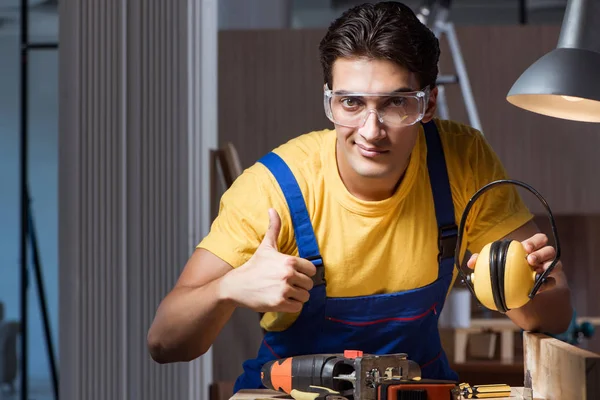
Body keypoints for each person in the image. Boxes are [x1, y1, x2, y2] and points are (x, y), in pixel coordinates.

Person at [147, 0, 572, 392]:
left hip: (421, 391)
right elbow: (165, 343)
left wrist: (520, 288)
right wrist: (228, 288)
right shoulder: (273, 186)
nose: (370, 131)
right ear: (329, 100)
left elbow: (555, 317)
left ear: (428, 106)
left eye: (395, 103)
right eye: (351, 102)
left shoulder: (461, 160)